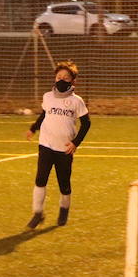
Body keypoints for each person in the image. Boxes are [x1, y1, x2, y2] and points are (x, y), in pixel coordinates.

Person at [25, 60, 91, 228]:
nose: (61, 80)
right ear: (54, 78)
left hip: (65, 149)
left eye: (66, 77)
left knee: (64, 183)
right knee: (40, 179)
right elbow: (43, 115)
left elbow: (86, 123)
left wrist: (76, 143)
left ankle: (63, 209)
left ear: (72, 81)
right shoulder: (48, 96)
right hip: (45, 145)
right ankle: (37, 213)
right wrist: (33, 129)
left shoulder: (77, 101)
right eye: (59, 76)